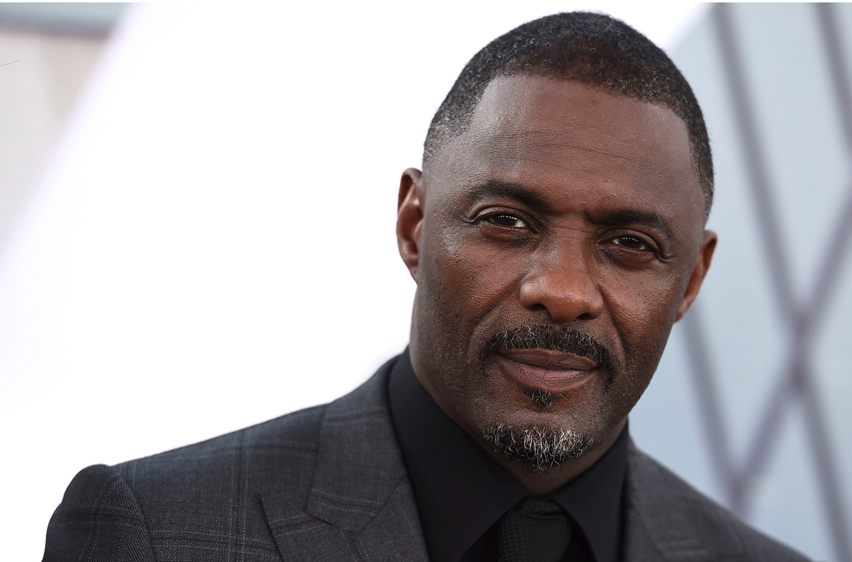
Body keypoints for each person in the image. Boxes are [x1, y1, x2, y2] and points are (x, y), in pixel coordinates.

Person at [43, 12, 809, 562]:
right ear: (414, 226)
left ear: (691, 278)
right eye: (507, 221)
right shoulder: (153, 533)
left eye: (630, 245)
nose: (564, 289)